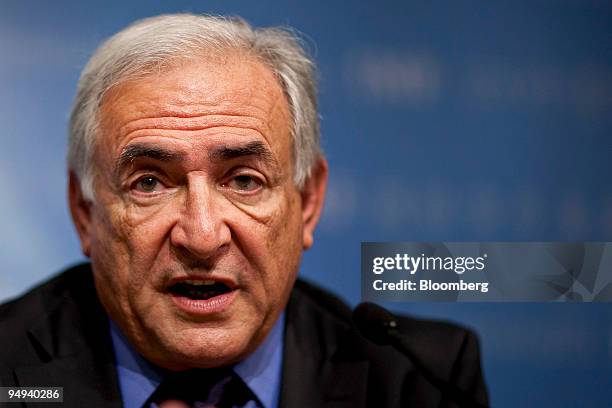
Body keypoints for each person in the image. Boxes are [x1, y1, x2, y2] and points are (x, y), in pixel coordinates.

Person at [0, 13, 488, 407]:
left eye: (243, 181)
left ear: (309, 201)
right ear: (84, 211)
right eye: (149, 183)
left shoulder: (419, 381)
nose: (202, 235)